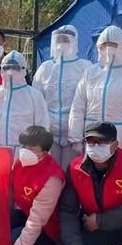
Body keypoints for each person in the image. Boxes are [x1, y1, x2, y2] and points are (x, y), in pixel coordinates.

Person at [68, 25, 122, 154]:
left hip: (119, 141)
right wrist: (76, 138)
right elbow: (78, 106)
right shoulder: (91, 72)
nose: (108, 49)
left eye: (112, 44)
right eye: (104, 45)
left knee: (118, 168)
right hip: (91, 140)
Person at [10, 126, 67, 245]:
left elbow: (37, 219)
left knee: (14, 236)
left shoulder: (52, 178)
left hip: (49, 227)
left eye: (31, 148)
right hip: (27, 213)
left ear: (45, 151)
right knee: (4, 221)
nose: (25, 151)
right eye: (23, 146)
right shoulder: (20, 164)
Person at [33, 25, 91, 169]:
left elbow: (89, 101)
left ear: (74, 41)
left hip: (75, 137)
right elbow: (36, 101)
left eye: (66, 40)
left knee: (71, 173)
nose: (62, 43)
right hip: (49, 135)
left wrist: (80, 135)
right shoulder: (45, 68)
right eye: (58, 40)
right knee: (49, 173)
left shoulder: (84, 67)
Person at [0, 51, 48, 156]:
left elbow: (42, 126)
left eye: (16, 68)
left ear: (24, 70)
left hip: (24, 154)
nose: (10, 72)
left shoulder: (34, 96)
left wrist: (38, 153)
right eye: (6, 68)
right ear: (1, 70)